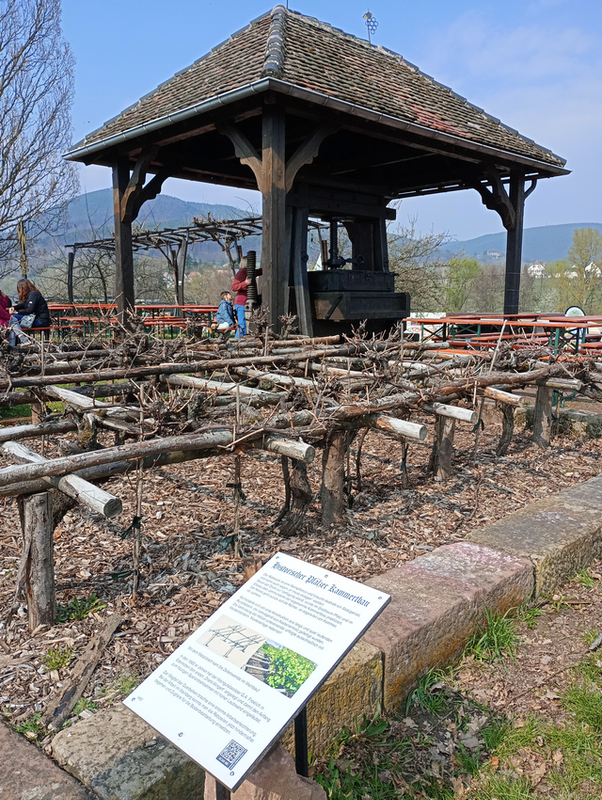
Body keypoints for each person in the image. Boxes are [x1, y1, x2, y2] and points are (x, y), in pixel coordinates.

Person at [8, 278, 50, 345]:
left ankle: (16, 342)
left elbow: (30, 310)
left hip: (41, 321)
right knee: (13, 323)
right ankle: (17, 342)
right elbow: (25, 305)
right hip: (40, 320)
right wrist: (14, 307)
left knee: (12, 318)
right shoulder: (33, 295)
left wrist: (17, 312)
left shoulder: (33, 295)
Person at [231, 260, 262, 338]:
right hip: (241, 303)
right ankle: (235, 347)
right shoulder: (241, 273)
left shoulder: (249, 272)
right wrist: (245, 283)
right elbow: (233, 287)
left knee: (247, 325)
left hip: (247, 302)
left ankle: (240, 346)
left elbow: (259, 272)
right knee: (242, 326)